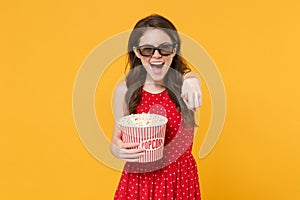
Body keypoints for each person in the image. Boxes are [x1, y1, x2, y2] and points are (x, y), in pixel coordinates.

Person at [110, 14, 202, 200]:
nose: (156, 56)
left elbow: (191, 80)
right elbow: (116, 141)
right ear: (136, 52)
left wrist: (191, 81)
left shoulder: (185, 85)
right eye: (147, 50)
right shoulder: (125, 91)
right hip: (139, 181)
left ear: (174, 50)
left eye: (164, 49)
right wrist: (118, 150)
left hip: (180, 180)